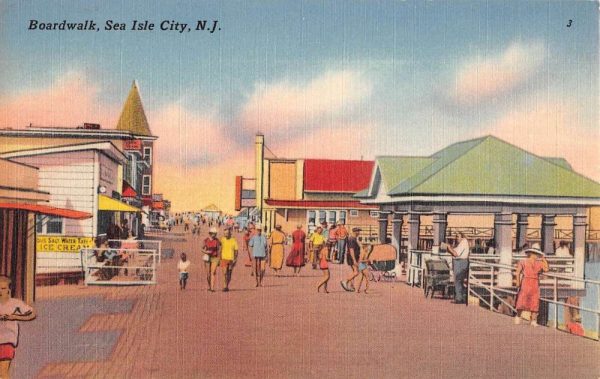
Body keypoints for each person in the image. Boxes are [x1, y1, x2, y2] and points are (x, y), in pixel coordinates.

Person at [0, 276, 36, 379]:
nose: (0, 291)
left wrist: (14, 317)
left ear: (9, 290)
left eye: (3, 288)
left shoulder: (15, 303)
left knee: (3, 371)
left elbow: (32, 313)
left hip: (7, 340)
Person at [514, 246, 549, 326]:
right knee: (522, 299)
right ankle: (518, 316)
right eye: (535, 254)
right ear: (531, 254)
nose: (536, 255)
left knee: (535, 301)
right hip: (526, 281)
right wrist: (518, 282)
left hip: (535, 282)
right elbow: (518, 272)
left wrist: (544, 259)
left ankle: (533, 320)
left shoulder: (539, 263)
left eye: (537, 254)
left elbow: (546, 269)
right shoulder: (523, 261)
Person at [446, 232, 470, 304]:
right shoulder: (461, 244)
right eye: (456, 237)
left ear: (462, 237)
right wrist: (450, 249)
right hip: (459, 262)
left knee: (458, 280)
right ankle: (461, 297)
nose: (457, 238)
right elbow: (455, 251)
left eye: (458, 237)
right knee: (459, 280)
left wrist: (449, 248)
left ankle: (459, 298)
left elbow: (456, 254)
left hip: (460, 262)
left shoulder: (463, 243)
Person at [341, 227, 362, 292]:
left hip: (353, 257)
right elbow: (351, 250)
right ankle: (345, 281)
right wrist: (354, 260)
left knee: (354, 271)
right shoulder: (352, 239)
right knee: (356, 272)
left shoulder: (354, 239)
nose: (359, 233)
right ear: (355, 232)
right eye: (358, 231)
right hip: (352, 257)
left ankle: (351, 285)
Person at [202, 227, 221, 292]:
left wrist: (219, 259)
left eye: (215, 234)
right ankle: (210, 286)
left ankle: (212, 288)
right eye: (213, 233)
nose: (215, 235)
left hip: (215, 257)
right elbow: (202, 248)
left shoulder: (217, 240)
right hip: (207, 257)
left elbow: (219, 249)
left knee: (213, 272)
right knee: (208, 273)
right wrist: (206, 252)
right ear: (210, 233)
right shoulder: (206, 240)